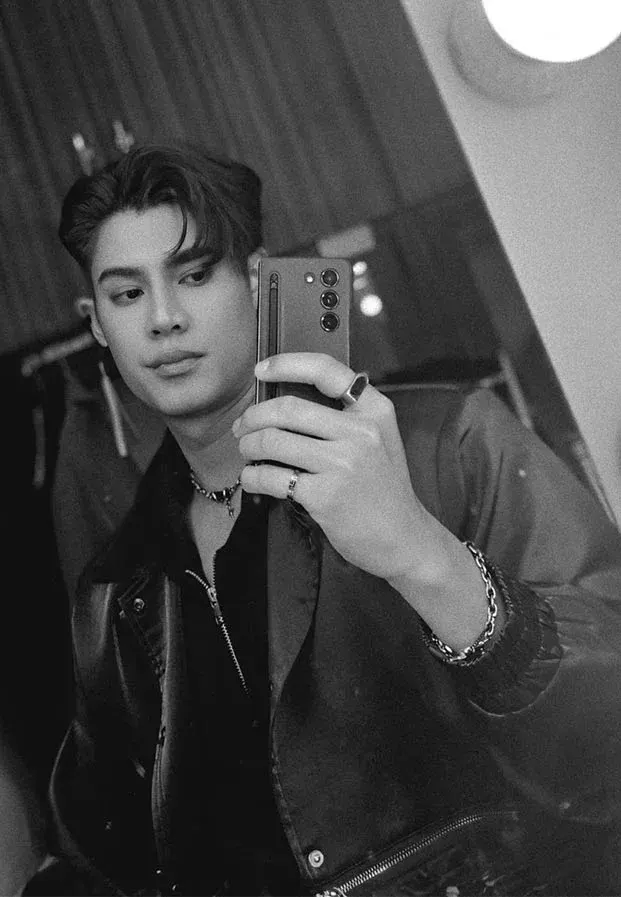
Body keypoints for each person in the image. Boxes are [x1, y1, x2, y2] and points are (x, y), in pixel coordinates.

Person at [27, 143, 621, 896]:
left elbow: (607, 722)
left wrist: (420, 552)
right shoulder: (114, 588)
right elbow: (102, 852)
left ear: (257, 279)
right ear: (97, 325)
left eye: (196, 274)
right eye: (126, 293)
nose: (164, 318)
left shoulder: (448, 441)